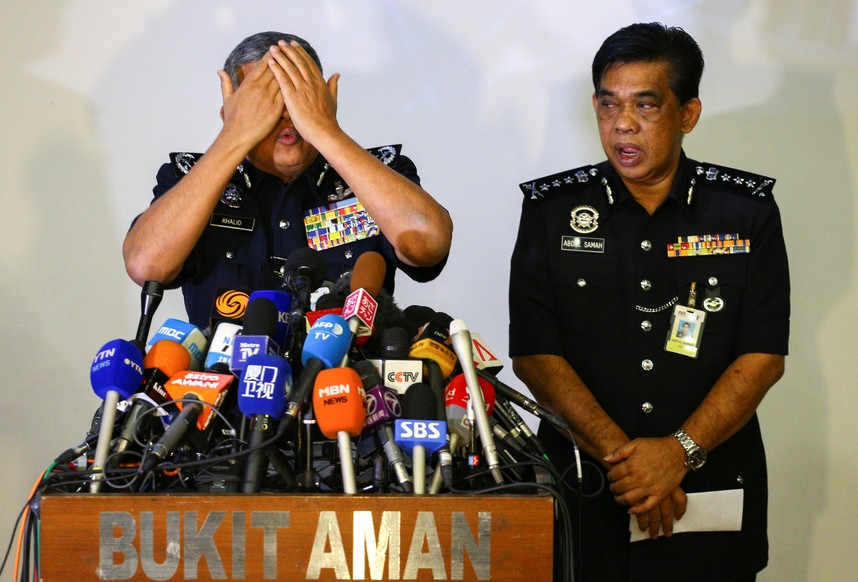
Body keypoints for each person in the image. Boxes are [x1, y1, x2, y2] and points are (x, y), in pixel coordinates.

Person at [509, 22, 789, 581]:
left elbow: (762, 357)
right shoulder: (551, 211)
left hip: (708, 490)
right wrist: (632, 466)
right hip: (586, 490)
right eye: (608, 105)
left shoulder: (745, 212)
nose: (622, 125)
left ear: (688, 113)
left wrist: (678, 452)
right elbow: (535, 355)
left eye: (645, 105)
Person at [123, 32, 453, 330]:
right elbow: (146, 265)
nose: (284, 113)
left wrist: (325, 130)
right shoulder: (190, 178)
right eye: (266, 99)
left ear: (327, 98)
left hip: (347, 385)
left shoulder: (380, 172)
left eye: (296, 95)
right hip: (226, 387)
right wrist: (232, 136)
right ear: (231, 107)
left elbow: (429, 244)